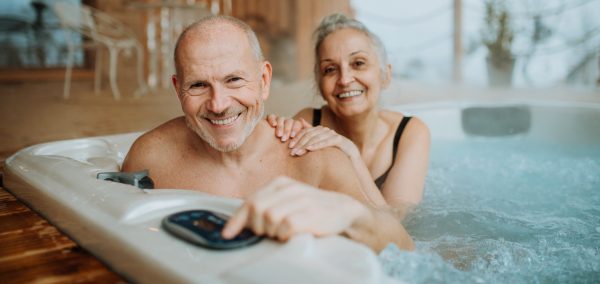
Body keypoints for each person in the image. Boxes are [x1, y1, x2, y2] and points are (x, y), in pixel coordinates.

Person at [122, 15, 415, 252]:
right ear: (178, 89)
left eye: (234, 80)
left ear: (264, 80)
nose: (218, 104)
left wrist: (349, 213)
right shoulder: (150, 158)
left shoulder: (314, 159)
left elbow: (404, 247)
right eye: (198, 85)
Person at [267, 13, 430, 209]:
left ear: (385, 75)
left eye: (358, 63)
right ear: (320, 86)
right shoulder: (308, 122)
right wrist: (274, 137)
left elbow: (397, 229)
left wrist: (351, 153)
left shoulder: (410, 133)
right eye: (330, 69)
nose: (344, 79)